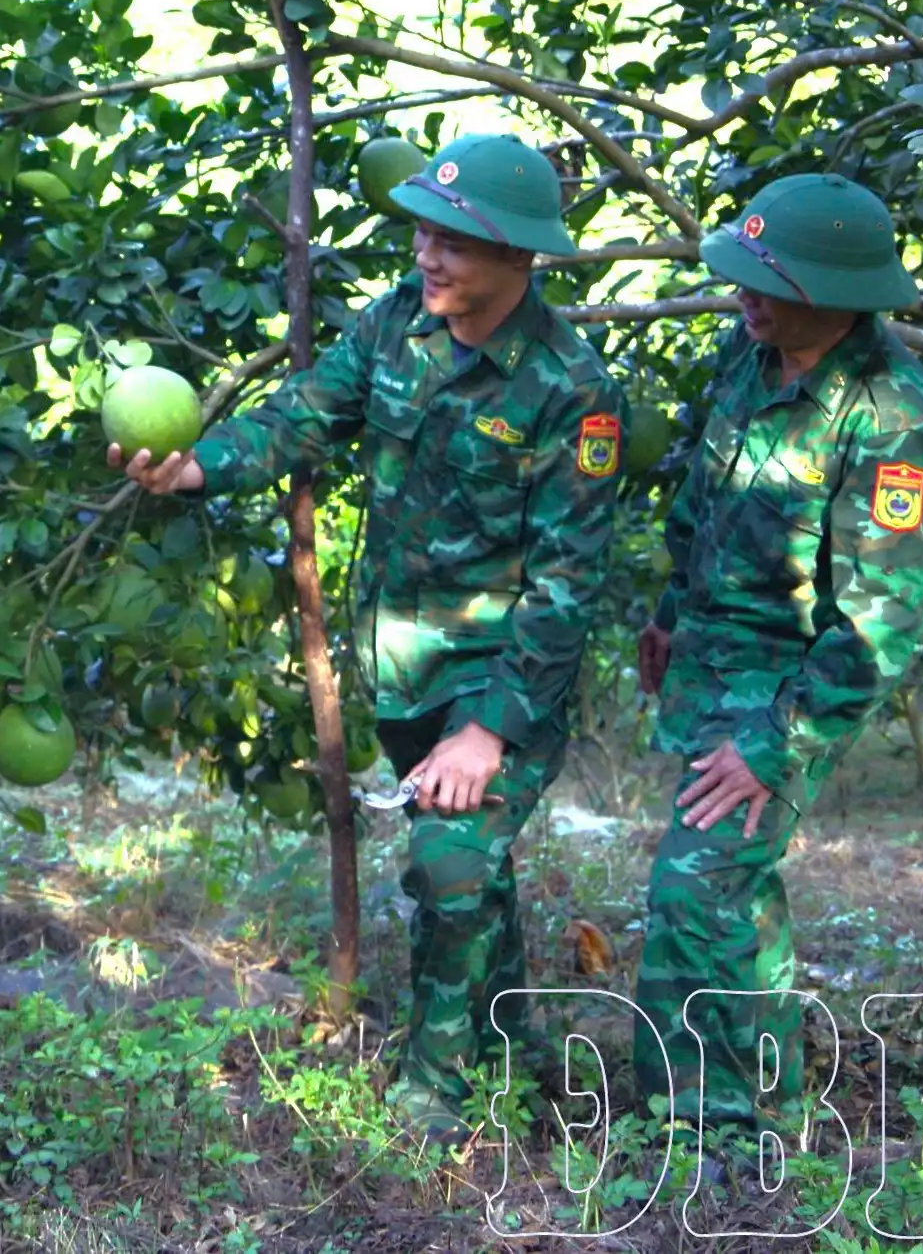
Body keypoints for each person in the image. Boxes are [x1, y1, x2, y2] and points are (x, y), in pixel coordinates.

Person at [116, 133, 625, 1140]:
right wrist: (195, 467)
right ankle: (513, 1058)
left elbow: (567, 584)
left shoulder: (571, 388)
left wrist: (488, 731)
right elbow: (303, 416)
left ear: (519, 255)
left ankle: (434, 1094)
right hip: (401, 664)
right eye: (423, 234)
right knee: (468, 868)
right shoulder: (398, 321)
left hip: (501, 679)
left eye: (454, 244)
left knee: (452, 863)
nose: (427, 256)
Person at [632, 173, 923, 1136]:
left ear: (835, 293)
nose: (744, 296)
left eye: (769, 282)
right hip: (712, 663)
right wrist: (668, 612)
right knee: (734, 894)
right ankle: (768, 1102)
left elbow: (882, 622)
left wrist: (774, 745)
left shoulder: (889, 413)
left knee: (697, 886)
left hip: (786, 688)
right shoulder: (750, 353)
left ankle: (713, 1126)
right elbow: (703, 497)